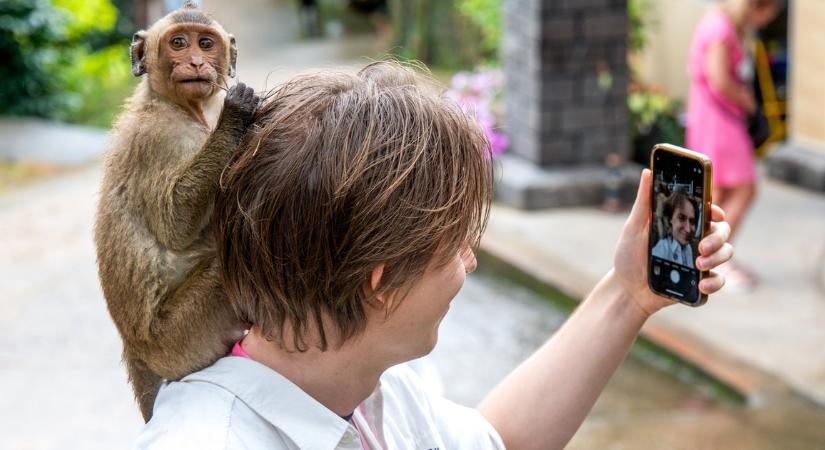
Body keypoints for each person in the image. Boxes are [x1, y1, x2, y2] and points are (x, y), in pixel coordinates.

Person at [135, 62, 733, 449]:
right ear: (379, 282)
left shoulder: (373, 393)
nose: (469, 263)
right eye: (455, 246)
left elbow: (499, 441)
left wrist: (628, 294)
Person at [685, 0, 781, 287]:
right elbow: (719, 79)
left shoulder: (718, 23)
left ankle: (704, 258)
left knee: (718, 192)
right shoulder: (721, 28)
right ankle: (712, 260)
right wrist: (748, 104)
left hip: (712, 117)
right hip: (720, 120)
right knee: (741, 188)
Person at [652, 189, 698, 268]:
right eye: (681, 218)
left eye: (692, 221)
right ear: (670, 218)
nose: (688, 229)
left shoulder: (688, 247)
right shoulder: (660, 251)